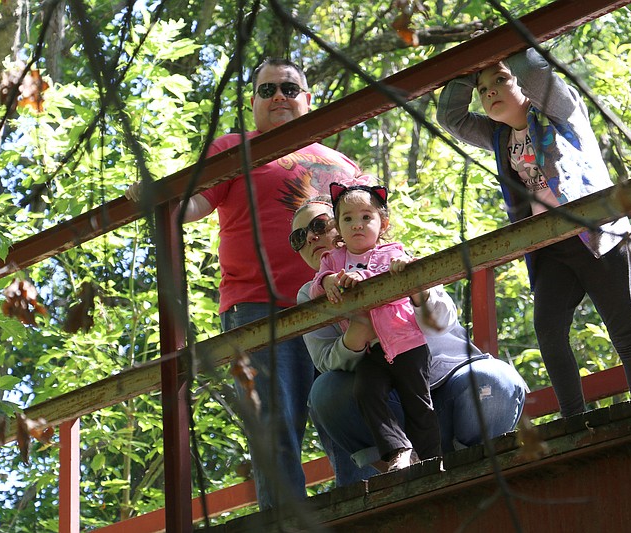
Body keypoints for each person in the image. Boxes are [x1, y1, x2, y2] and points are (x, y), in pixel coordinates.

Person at [126, 58, 364, 509]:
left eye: (290, 90)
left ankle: (367, 508)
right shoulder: (234, 148)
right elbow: (191, 205)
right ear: (253, 101)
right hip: (262, 307)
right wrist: (157, 201)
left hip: (339, 304)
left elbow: (370, 231)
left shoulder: (342, 163)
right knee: (275, 423)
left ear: (308, 100)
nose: (279, 97)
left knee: (350, 407)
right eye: (267, 89)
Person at [436, 47, 631, 417]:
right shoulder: (498, 135)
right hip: (551, 247)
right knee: (550, 332)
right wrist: (470, 67)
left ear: (521, 84)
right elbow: (451, 117)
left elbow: (534, 69)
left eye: (500, 81)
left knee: (624, 333)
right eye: (482, 88)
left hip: (597, 237)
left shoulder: (561, 111)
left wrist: (497, 43)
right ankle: (574, 420)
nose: (490, 92)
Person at [292, 196, 528, 485]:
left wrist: (416, 289)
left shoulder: (394, 256)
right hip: (387, 402)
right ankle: (397, 460)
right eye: (298, 237)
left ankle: (468, 470)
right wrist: (357, 332)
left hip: (452, 383)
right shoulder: (310, 294)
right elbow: (325, 360)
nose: (312, 237)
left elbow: (443, 319)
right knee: (325, 392)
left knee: (496, 380)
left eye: (319, 224)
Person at [308, 182, 441, 471]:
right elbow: (316, 288)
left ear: (383, 224)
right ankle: (399, 450)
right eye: (348, 219)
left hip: (407, 343)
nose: (357, 224)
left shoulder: (392, 252)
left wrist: (402, 266)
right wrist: (328, 281)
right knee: (366, 392)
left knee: (418, 403)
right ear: (338, 229)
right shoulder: (333, 260)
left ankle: (432, 461)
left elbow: (410, 268)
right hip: (372, 351)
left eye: (366, 217)